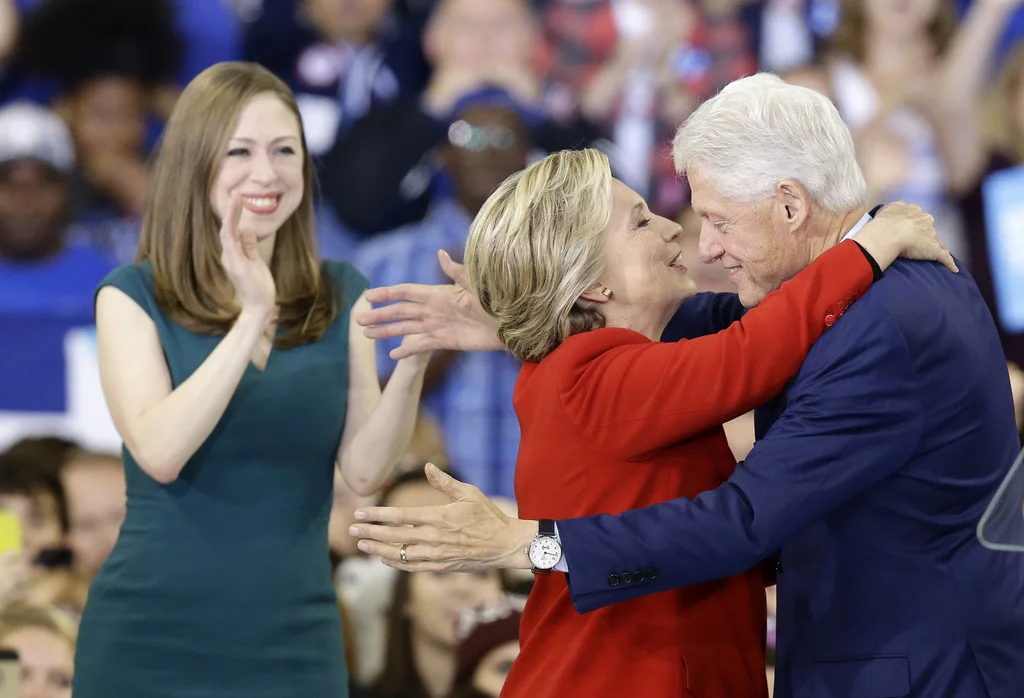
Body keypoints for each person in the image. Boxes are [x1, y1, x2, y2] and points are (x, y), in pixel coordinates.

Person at [350, 73, 1024, 698]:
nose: (702, 245)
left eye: (721, 220)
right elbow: (738, 341)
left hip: (911, 669)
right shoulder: (868, 291)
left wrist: (530, 538)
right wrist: (522, 320)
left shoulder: (875, 321)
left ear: (791, 206)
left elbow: (741, 397)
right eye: (644, 220)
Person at [72, 61, 431, 698]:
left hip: (294, 636)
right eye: (240, 151)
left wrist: (413, 360)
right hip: (150, 635)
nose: (266, 173)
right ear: (196, 165)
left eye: (284, 150)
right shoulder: (132, 296)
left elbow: (367, 471)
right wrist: (251, 318)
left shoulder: (343, 290)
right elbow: (158, 451)